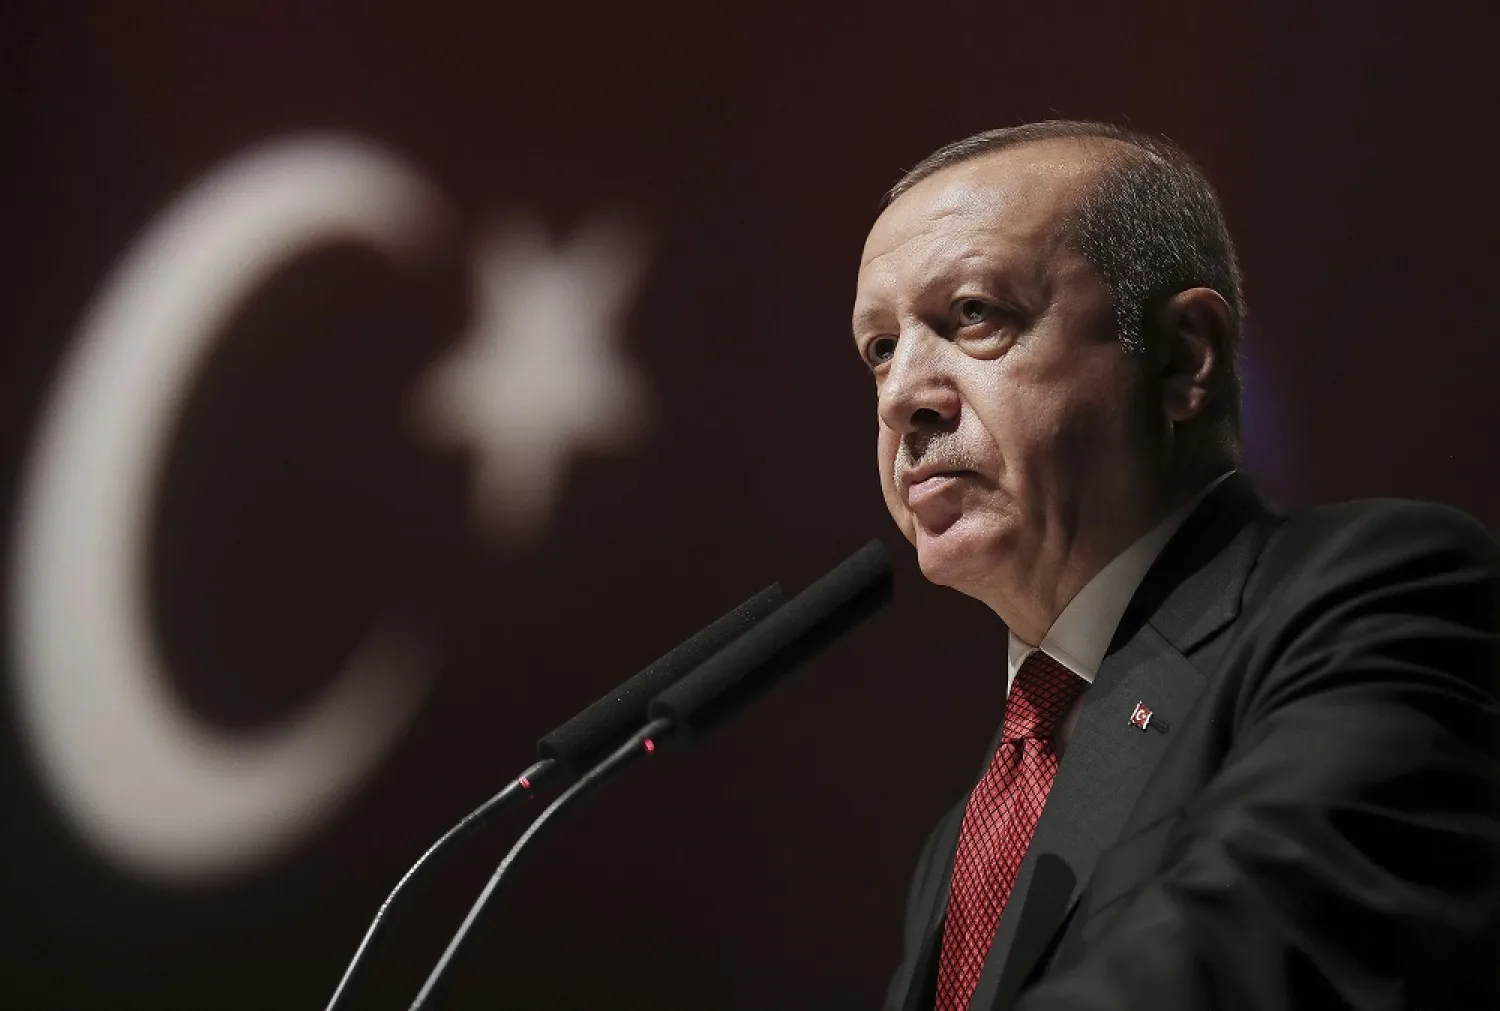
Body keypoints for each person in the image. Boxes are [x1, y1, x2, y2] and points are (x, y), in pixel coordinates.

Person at [854, 120, 1500, 1011]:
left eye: (974, 314)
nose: (901, 396)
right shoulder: (968, 831)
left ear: (1183, 356)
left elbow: (1247, 956)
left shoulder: (1375, 595)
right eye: (881, 348)